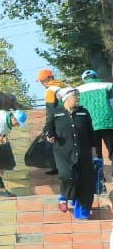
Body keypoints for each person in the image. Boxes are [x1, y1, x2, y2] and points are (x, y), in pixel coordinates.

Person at [46, 87, 98, 219]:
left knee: (86, 180)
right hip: (63, 153)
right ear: (67, 99)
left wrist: (95, 153)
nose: (78, 99)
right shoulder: (56, 112)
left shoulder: (83, 112)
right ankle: (64, 198)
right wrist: (50, 135)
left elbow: (91, 133)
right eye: (76, 96)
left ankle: (83, 211)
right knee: (66, 175)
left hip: (83, 152)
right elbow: (48, 128)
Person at [76, 69, 113, 184]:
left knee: (96, 152)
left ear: (84, 79)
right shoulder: (108, 86)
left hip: (90, 126)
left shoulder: (78, 90)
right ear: (96, 76)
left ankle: (100, 178)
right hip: (108, 123)